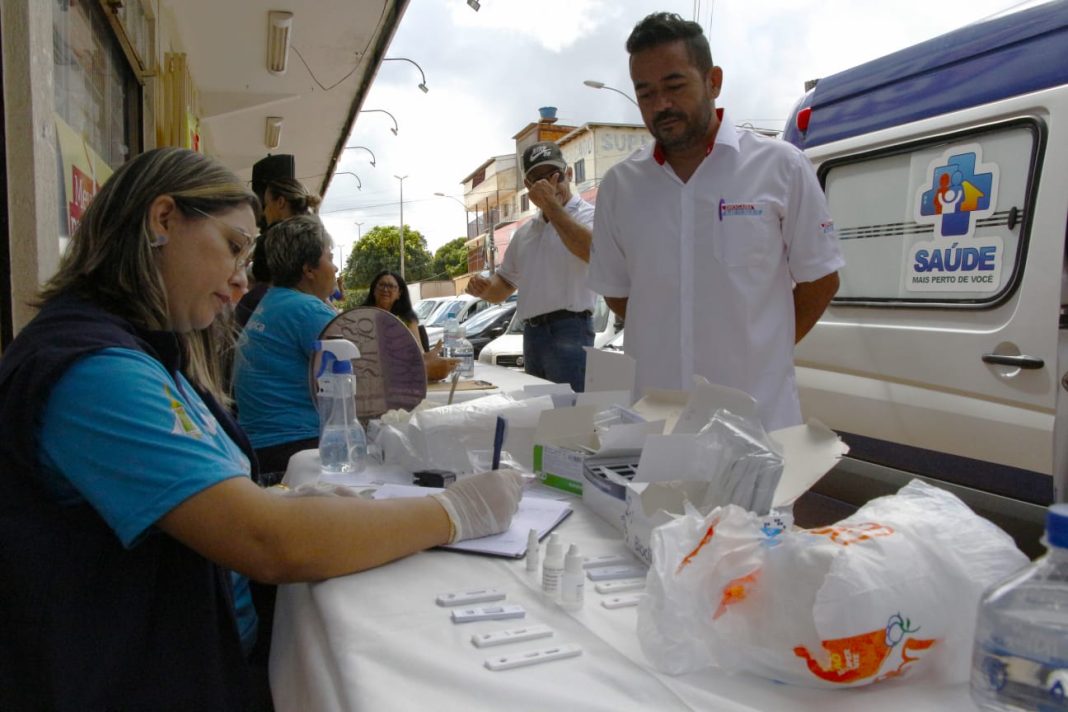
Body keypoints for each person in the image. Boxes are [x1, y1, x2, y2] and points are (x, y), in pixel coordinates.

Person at [0, 147, 522, 711]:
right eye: (233, 247)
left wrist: (281, 500)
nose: (240, 282)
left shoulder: (140, 351)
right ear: (163, 219)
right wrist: (454, 513)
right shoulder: (95, 372)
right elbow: (269, 543)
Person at [588, 12, 844, 432]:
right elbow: (619, 294)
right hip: (656, 424)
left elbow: (821, 280)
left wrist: (763, 352)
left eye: (674, 86)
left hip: (756, 423)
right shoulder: (621, 186)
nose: (661, 105)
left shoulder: (780, 167)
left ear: (713, 81)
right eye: (646, 93)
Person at [465, 141, 597, 392]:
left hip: (572, 329)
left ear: (568, 174)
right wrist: (483, 288)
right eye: (538, 180)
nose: (548, 186)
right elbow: (503, 286)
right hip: (532, 335)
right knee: (537, 415)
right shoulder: (525, 231)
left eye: (554, 176)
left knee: (569, 416)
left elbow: (593, 252)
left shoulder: (588, 215)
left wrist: (551, 207)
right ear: (528, 187)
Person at [233, 214, 341, 477]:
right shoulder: (309, 311)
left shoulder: (273, 301)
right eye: (329, 257)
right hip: (294, 449)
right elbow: (368, 377)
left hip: (261, 447)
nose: (335, 268)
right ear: (309, 270)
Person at [235, 177, 321, 328]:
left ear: (280, 202)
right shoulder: (317, 234)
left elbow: (260, 273)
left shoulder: (271, 237)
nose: (264, 212)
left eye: (267, 205)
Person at [363, 269, 423, 346]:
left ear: (399, 294)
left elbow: (419, 353)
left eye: (391, 286)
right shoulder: (360, 315)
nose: (385, 289)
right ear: (374, 290)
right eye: (381, 285)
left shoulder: (408, 320)